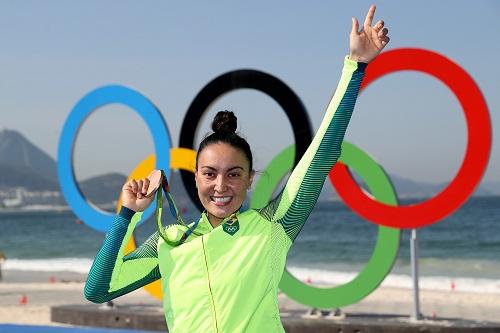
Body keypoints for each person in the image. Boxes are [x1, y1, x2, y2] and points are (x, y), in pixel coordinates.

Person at [84, 5, 390, 332]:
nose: (221, 185)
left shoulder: (272, 226)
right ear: (196, 177)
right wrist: (126, 215)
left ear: (249, 180)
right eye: (210, 173)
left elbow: (321, 154)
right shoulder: (168, 242)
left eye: (234, 174)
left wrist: (355, 67)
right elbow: (98, 290)